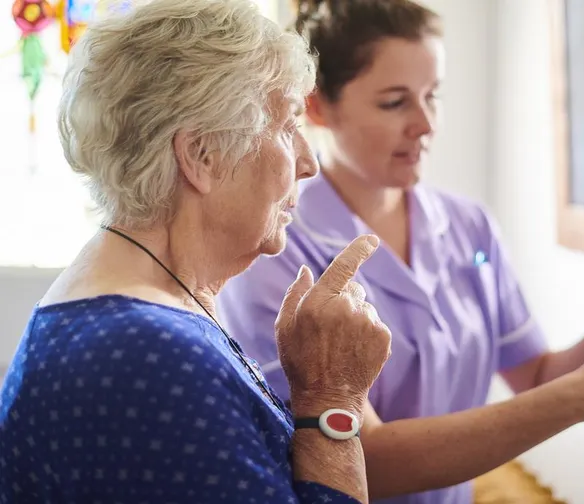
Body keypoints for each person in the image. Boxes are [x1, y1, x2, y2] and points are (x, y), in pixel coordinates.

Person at [216, 1, 584, 503]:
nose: (425, 124)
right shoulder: (277, 249)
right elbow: (361, 457)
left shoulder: (470, 226)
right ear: (317, 108)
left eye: (433, 96)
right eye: (395, 102)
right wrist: (581, 398)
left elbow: (533, 379)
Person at [0, 0, 393, 502]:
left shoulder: (140, 311)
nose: (308, 162)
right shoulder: (148, 353)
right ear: (202, 155)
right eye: (288, 125)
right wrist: (331, 397)